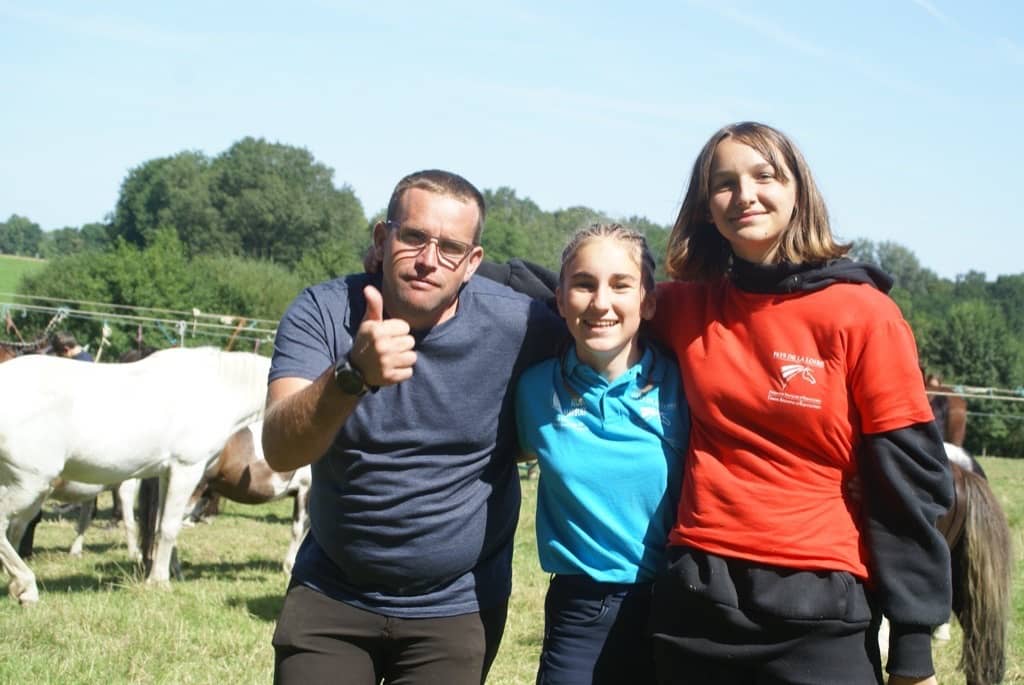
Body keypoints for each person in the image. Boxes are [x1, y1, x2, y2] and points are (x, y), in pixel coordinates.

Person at [646, 122, 953, 685]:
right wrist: (442, 289)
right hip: (695, 594)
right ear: (704, 208)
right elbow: (579, 296)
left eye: (765, 176)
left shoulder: (863, 315)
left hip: (819, 608)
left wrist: (911, 645)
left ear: (798, 192)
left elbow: (909, 482)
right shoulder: (685, 307)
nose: (746, 195)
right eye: (724, 183)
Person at [262, 169, 565, 684]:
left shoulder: (522, 326)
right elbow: (280, 449)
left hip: (458, 606)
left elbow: (613, 324)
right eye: (414, 238)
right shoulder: (324, 310)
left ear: (473, 264)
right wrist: (350, 376)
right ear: (382, 240)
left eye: (450, 248)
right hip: (332, 595)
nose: (429, 260)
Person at [515, 224, 688, 684]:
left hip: (677, 607)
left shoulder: (686, 387)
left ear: (648, 302)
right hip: (581, 613)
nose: (600, 302)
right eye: (584, 284)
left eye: (620, 285)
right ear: (560, 297)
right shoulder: (532, 391)